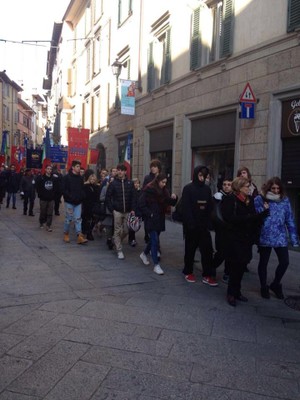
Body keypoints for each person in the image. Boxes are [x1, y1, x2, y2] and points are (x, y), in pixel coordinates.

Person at [221, 177, 269, 307]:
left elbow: (253, 219)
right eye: (247, 186)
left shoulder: (250, 200)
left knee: (242, 266)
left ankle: (237, 291)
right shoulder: (230, 199)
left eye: (249, 186)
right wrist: (252, 217)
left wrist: (261, 216)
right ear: (239, 187)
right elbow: (230, 218)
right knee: (235, 266)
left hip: (246, 239)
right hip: (234, 239)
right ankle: (231, 293)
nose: (249, 188)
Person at [254, 177, 299, 299]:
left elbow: (289, 219)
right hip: (265, 235)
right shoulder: (260, 199)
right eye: (273, 188)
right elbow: (256, 216)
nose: (275, 190)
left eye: (278, 188)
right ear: (268, 188)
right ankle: (264, 286)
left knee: (285, 262)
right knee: (263, 262)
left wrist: (294, 239)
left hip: (280, 236)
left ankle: (275, 284)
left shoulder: (284, 200)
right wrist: (264, 208)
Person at [181, 165, 217, 286]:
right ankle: (188, 271)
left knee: (207, 251)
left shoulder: (207, 189)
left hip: (203, 225)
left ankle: (207, 274)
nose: (202, 178)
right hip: (192, 226)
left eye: (204, 176)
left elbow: (209, 206)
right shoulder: (188, 188)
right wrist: (190, 223)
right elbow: (186, 208)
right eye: (200, 175)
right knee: (190, 250)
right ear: (196, 175)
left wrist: (209, 222)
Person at [138, 173, 178, 275]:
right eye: (162, 182)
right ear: (158, 181)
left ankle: (144, 254)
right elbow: (141, 204)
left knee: (153, 239)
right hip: (151, 219)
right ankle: (156, 265)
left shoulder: (164, 191)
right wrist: (149, 214)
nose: (164, 184)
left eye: (165, 182)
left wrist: (175, 198)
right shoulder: (149, 189)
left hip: (159, 218)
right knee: (155, 240)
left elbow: (170, 202)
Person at [106, 163, 135, 259]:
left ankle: (116, 240)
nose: (120, 172)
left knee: (127, 230)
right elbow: (108, 197)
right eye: (118, 170)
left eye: (122, 170)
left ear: (125, 172)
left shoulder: (130, 183)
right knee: (117, 230)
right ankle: (119, 250)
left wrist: (133, 209)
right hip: (117, 211)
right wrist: (112, 209)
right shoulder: (113, 183)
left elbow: (133, 197)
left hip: (127, 211)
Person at [62, 160, 88, 244]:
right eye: (77, 166)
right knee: (68, 219)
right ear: (73, 167)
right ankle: (66, 233)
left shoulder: (80, 178)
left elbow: (82, 189)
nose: (79, 168)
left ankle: (79, 236)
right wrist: (70, 197)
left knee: (78, 219)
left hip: (78, 202)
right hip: (69, 202)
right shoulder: (66, 177)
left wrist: (82, 196)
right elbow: (64, 190)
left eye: (79, 166)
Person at [212, 178, 232, 283]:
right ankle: (212, 267)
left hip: (231, 229)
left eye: (229, 184)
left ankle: (227, 273)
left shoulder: (233, 197)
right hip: (221, 229)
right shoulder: (217, 197)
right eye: (225, 184)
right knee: (221, 252)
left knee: (230, 253)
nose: (227, 186)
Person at [143, 159, 162, 244]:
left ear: (159, 168)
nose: (153, 168)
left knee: (158, 228)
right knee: (150, 227)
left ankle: (152, 245)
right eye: (152, 167)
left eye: (155, 167)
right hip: (149, 205)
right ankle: (155, 247)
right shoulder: (148, 178)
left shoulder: (162, 177)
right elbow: (144, 191)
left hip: (159, 206)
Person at [35, 164, 57, 232]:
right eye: (48, 169)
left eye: (50, 169)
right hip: (43, 198)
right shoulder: (41, 178)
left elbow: (56, 187)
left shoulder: (53, 178)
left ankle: (48, 225)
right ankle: (41, 222)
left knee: (50, 213)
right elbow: (37, 186)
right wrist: (40, 194)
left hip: (51, 198)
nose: (49, 170)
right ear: (45, 169)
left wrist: (54, 195)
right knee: (43, 212)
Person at [82, 171, 100, 241]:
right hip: (86, 205)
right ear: (89, 179)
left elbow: (97, 196)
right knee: (86, 219)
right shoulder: (85, 186)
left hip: (94, 205)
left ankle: (89, 232)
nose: (92, 181)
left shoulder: (97, 187)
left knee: (93, 220)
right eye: (91, 179)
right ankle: (85, 232)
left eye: (93, 179)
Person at [128, 178, 142, 247]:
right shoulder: (131, 191)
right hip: (132, 211)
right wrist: (131, 209)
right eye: (135, 183)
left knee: (136, 225)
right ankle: (132, 239)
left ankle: (132, 238)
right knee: (132, 225)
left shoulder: (141, 191)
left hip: (139, 211)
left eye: (137, 183)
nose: (136, 185)